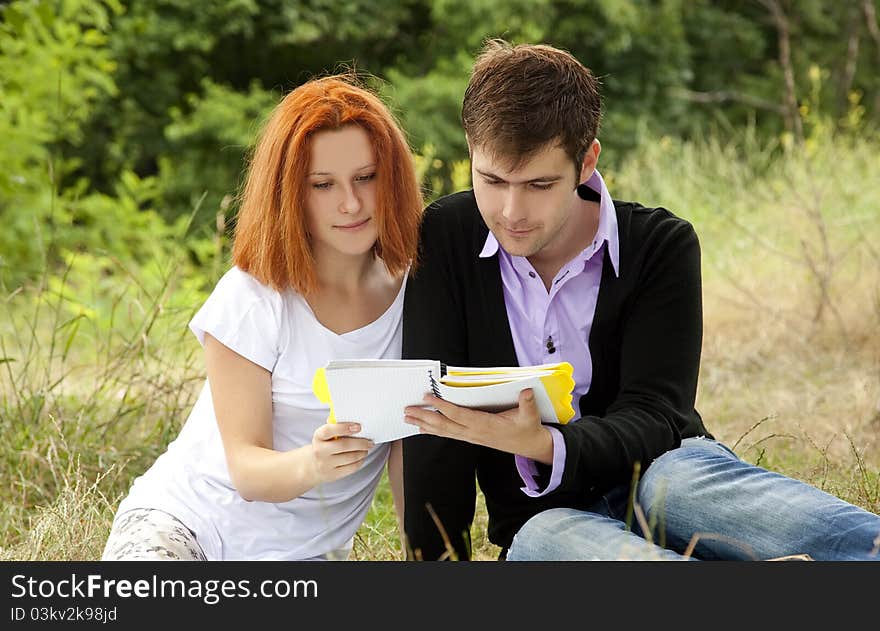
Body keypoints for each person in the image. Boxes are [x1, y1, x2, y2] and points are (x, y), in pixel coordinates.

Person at [400, 40, 880, 561]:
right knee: (542, 541)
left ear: (587, 161)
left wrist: (546, 445)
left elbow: (657, 414)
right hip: (547, 522)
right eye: (492, 180)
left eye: (539, 184)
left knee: (676, 486)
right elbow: (434, 427)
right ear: (470, 150)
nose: (510, 210)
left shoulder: (661, 245)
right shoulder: (445, 239)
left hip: (667, 469)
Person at [102, 75, 423, 560]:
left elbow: (410, 460)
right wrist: (315, 462)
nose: (351, 203)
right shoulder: (253, 295)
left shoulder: (415, 293)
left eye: (366, 176)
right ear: (290, 193)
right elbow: (247, 471)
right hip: (185, 527)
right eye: (323, 185)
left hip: (304, 558)